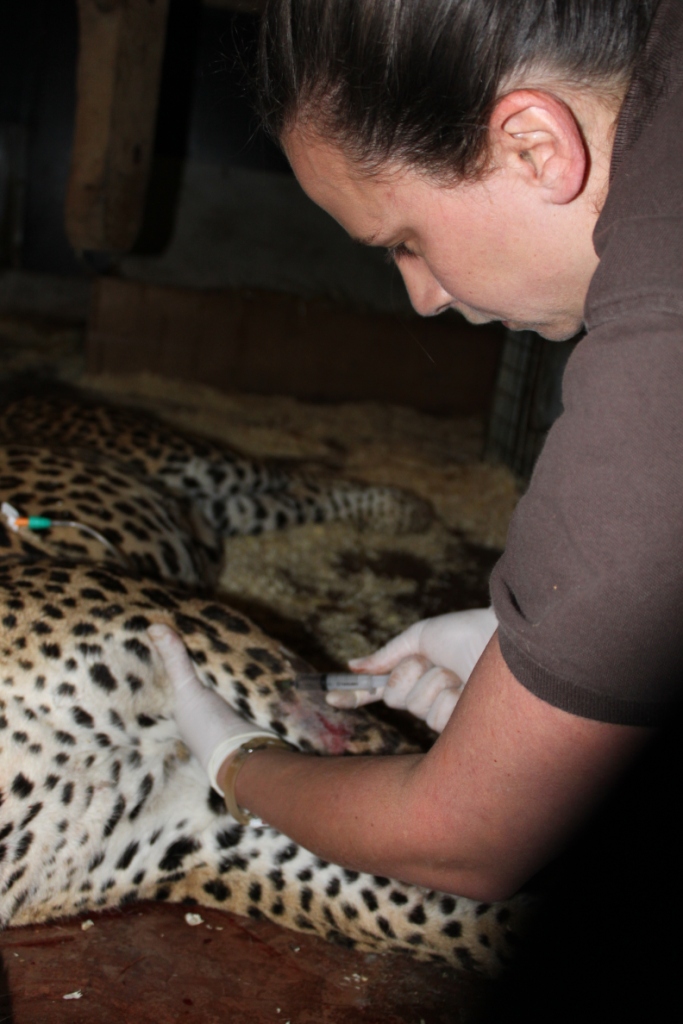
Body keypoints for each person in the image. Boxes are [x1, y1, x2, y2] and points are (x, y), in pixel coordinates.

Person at [149, 0, 682, 906]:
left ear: (532, 146)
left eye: (404, 242)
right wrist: (589, 648)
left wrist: (238, 761)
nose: (423, 299)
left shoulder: (661, 350)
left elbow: (466, 840)